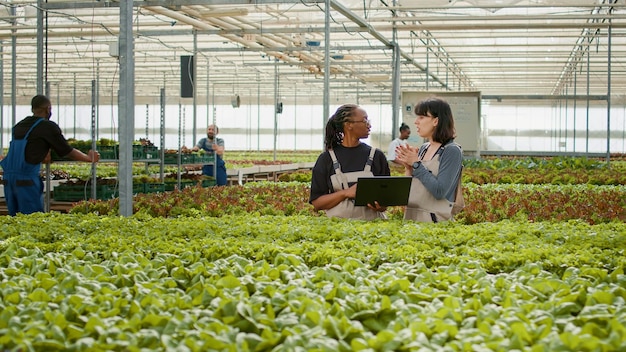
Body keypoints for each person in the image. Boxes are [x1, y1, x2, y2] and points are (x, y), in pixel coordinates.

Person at [0, 94, 100, 216]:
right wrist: (88, 158)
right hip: (26, 180)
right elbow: (67, 151)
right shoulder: (47, 126)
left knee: (14, 219)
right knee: (32, 219)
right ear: (48, 109)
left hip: (8, 179)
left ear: (33, 109)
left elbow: (30, 147)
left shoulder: (19, 126)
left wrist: (43, 154)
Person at [309, 104, 390, 220]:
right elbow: (317, 203)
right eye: (365, 120)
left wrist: (380, 206)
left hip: (373, 228)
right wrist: (345, 193)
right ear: (349, 125)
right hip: (338, 229)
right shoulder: (326, 158)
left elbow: (386, 199)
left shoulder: (377, 156)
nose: (369, 125)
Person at [395, 97, 465, 222]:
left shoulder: (451, 151)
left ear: (436, 121)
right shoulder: (424, 148)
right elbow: (412, 189)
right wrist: (408, 168)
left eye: (422, 117)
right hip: (413, 217)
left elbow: (439, 191)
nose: (416, 122)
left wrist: (416, 164)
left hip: (435, 222)